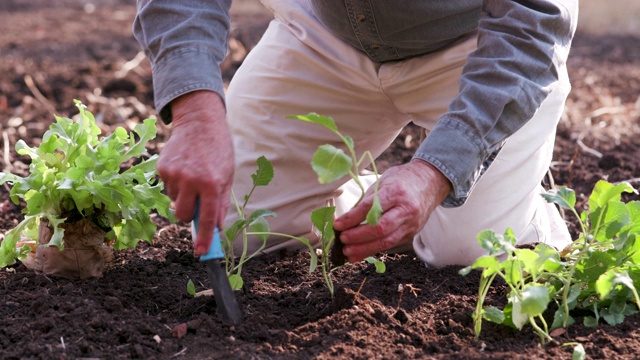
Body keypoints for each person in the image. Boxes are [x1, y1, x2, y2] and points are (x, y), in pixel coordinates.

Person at [133, 0, 578, 267]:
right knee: (244, 229)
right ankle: (361, 203)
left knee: (471, 254)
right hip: (324, 32)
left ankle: (527, 213)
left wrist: (435, 173)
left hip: (476, 51)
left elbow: (532, 22)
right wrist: (195, 113)